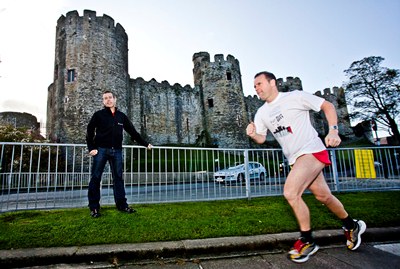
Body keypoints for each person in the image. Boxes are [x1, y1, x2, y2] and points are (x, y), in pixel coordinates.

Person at [246, 71, 366, 263]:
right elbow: (261, 138)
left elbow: (327, 105)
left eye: (259, 84)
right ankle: (352, 225)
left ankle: (307, 240)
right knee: (323, 196)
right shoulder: (261, 113)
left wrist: (333, 130)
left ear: (272, 83)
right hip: (295, 159)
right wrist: (253, 134)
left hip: (311, 150)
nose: (257, 89)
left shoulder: (295, 96)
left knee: (291, 192)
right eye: (255, 87)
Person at [86, 90, 152, 218]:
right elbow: (89, 131)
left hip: (116, 151)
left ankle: (122, 205)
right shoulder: (98, 115)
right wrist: (91, 147)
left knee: (118, 179)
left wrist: (145, 143)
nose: (108, 100)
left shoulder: (121, 116)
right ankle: (94, 208)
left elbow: (132, 131)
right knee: (95, 178)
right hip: (101, 150)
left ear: (115, 99)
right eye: (105, 98)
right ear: (103, 101)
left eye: (110, 97)